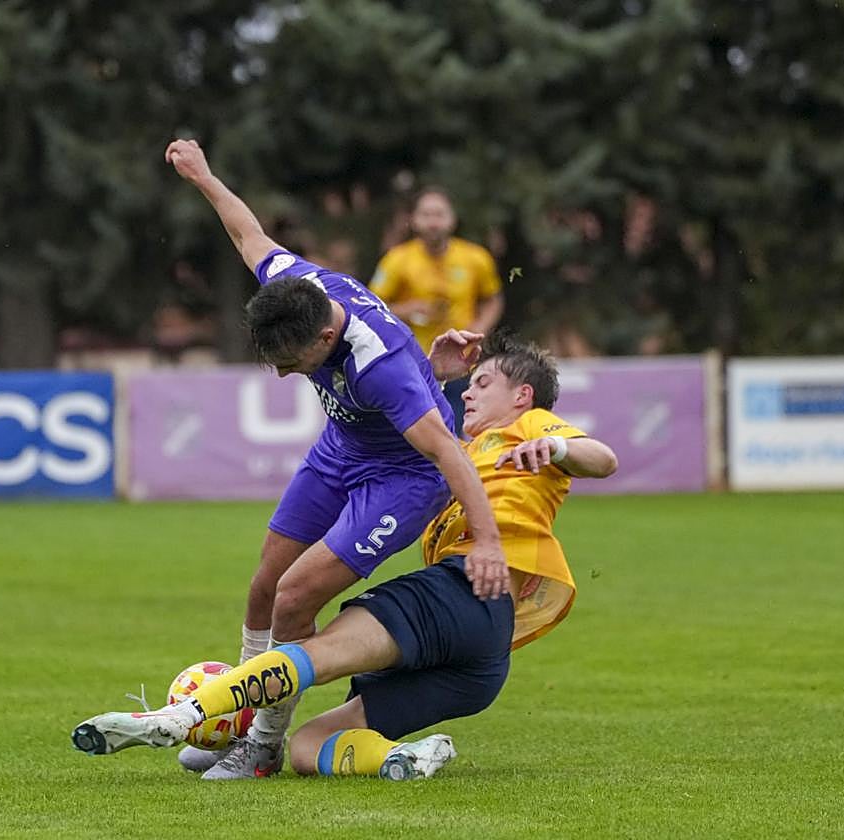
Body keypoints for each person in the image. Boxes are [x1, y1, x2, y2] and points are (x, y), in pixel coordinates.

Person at [72, 330, 618, 780]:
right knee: (311, 747)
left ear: (522, 396)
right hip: (481, 663)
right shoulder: (459, 450)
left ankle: (180, 716)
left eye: (482, 383)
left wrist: (561, 447)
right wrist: (435, 374)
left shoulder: (527, 427)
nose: (468, 395)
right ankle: (404, 758)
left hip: (466, 594)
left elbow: (603, 458)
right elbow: (407, 433)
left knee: (318, 652)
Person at [161, 139, 509, 779]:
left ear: (327, 337)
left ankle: (263, 744)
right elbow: (247, 233)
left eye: (293, 365)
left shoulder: (384, 367)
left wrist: (486, 539)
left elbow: (448, 452)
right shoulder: (295, 287)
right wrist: (206, 176)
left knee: (295, 597)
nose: (286, 376)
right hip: (342, 449)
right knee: (266, 582)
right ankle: (243, 721)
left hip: (404, 478)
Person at [369, 187, 504, 436]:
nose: (433, 222)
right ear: (414, 220)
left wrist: (480, 327)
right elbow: (371, 306)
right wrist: (407, 309)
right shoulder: (397, 260)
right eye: (426, 215)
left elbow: (493, 299)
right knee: (417, 436)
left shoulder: (475, 258)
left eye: (439, 214)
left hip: (462, 363)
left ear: (452, 219)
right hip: (412, 363)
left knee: (461, 433)